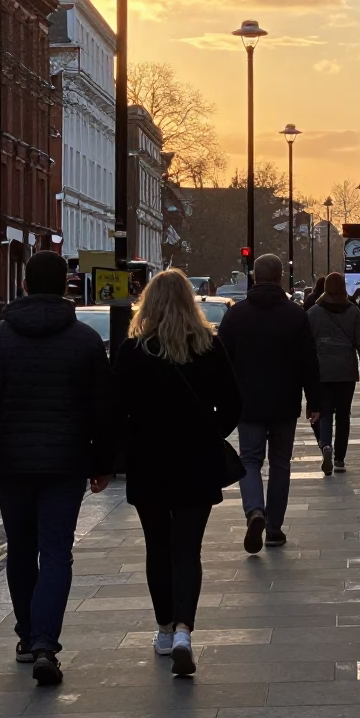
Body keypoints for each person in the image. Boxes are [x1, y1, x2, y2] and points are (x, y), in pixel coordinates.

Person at [0, 251, 113, 687]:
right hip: (66, 463)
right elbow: (103, 410)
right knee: (57, 553)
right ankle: (46, 643)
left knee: (22, 550)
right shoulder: (84, 340)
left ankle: (28, 638)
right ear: (65, 285)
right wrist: (102, 463)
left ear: (24, 285)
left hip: (13, 463)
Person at [113, 269, 241, 677]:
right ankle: (186, 628)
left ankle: (166, 629)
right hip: (196, 461)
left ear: (148, 303)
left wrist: (123, 449)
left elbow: (117, 411)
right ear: (191, 302)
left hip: (149, 462)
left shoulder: (134, 351)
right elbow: (234, 404)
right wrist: (209, 433)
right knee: (188, 548)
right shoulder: (209, 346)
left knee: (157, 547)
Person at [218, 254, 319, 553]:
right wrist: (314, 401)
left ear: (254, 278)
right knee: (280, 462)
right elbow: (308, 362)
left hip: (247, 402)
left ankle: (254, 510)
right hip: (284, 401)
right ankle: (274, 526)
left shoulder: (236, 315)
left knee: (249, 459)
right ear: (280, 279)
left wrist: (223, 399)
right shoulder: (296, 315)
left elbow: (221, 361)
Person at [307, 272, 360, 475]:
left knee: (325, 411)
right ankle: (339, 459)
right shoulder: (352, 311)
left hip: (322, 370)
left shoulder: (314, 312)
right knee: (344, 415)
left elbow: (306, 345)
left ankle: (325, 444)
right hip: (346, 369)